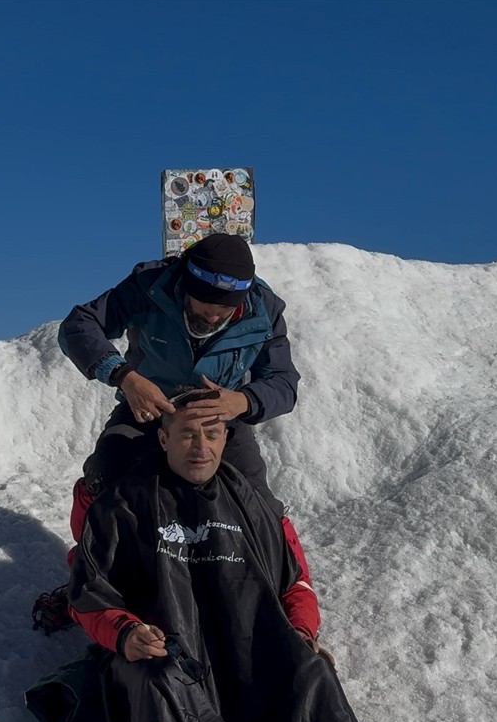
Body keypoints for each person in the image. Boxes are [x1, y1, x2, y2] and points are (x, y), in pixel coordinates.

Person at [67, 390, 454, 722]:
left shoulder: (253, 505)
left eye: (212, 433)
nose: (200, 446)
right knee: (153, 677)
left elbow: (295, 582)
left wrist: (301, 632)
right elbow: (88, 594)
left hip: (247, 646)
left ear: (224, 438)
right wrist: (124, 632)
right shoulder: (122, 504)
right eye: (188, 434)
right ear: (163, 439)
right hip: (170, 655)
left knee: (311, 670)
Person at [44, 233, 316, 633]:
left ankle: (284, 596)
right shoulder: (150, 285)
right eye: (205, 306)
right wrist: (125, 376)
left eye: (226, 309)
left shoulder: (264, 309)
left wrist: (241, 402)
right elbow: (79, 325)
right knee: (104, 479)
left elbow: (283, 381)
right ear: (186, 286)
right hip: (148, 408)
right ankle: (89, 581)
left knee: (257, 501)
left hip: (218, 418)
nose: (214, 317)